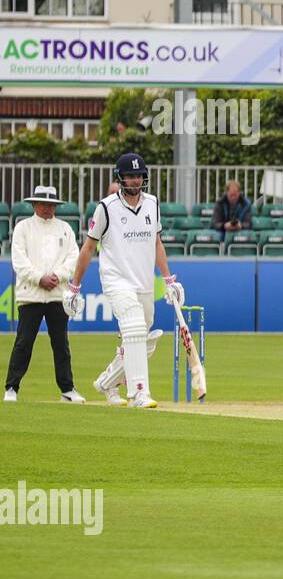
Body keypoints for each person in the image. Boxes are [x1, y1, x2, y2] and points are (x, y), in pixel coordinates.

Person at [65, 153, 184, 408]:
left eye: (138, 175)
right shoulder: (106, 207)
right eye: (130, 176)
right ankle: (139, 392)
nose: (135, 180)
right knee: (133, 328)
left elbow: (156, 243)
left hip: (144, 282)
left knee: (144, 341)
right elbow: (88, 248)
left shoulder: (152, 203)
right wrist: (74, 287)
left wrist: (169, 279)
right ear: (120, 179)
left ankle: (108, 381)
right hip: (116, 280)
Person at [4, 186, 83, 403]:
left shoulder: (65, 229)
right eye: (43, 204)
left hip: (58, 294)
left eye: (51, 205)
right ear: (34, 205)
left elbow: (73, 258)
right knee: (24, 342)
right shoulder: (23, 228)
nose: (47, 208)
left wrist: (56, 276)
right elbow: (19, 261)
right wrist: (40, 278)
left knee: (61, 344)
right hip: (31, 295)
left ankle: (67, 389)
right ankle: (11, 387)